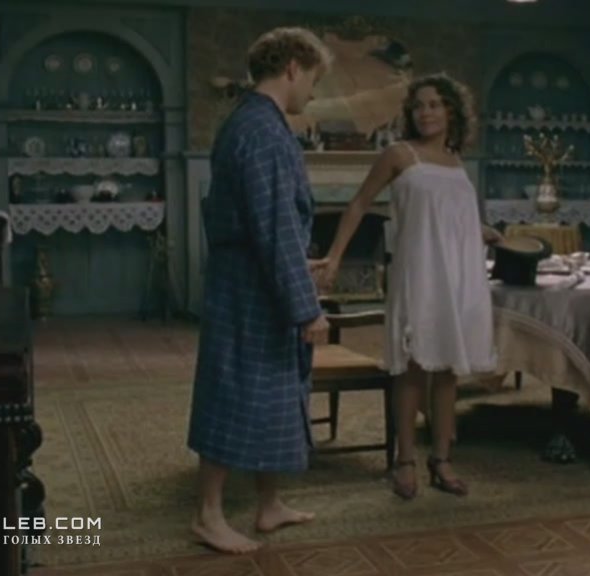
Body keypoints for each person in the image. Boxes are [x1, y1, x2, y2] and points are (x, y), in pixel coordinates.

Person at [319, 73, 501, 500]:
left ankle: (441, 459)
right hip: (418, 273)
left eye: (434, 104)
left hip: (457, 274)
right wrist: (335, 255)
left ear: (451, 111)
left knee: (447, 367)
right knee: (413, 365)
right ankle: (404, 460)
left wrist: (480, 230)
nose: (425, 112)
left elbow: (447, 217)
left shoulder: (456, 161)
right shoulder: (399, 154)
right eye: (418, 106)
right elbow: (359, 203)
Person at [186, 27, 333, 554]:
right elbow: (273, 224)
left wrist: (296, 264)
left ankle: (269, 504)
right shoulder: (263, 130)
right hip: (249, 288)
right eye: (313, 79)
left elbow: (266, 224)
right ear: (293, 67)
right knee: (235, 389)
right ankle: (208, 515)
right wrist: (307, 308)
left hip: (253, 275)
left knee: (274, 390)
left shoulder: (253, 122)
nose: (312, 91)